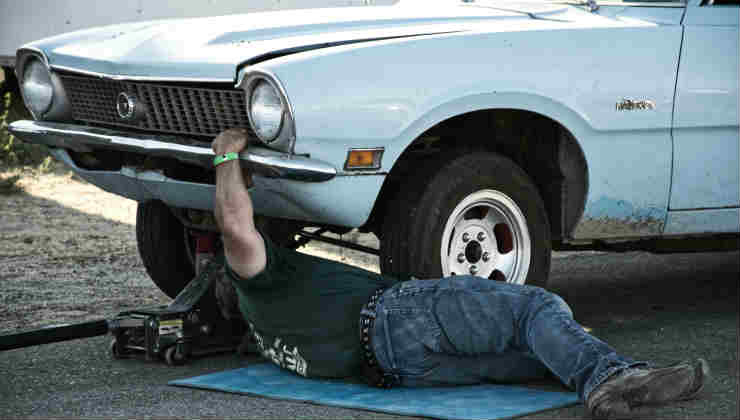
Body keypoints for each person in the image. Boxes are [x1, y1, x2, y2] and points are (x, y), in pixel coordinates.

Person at [210, 128, 709, 419]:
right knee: (535, 308)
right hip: (398, 317)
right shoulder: (258, 283)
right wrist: (227, 154)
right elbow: (234, 225)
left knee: (540, 359)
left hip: (401, 371)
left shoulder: (268, 338)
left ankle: (619, 381)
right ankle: (613, 378)